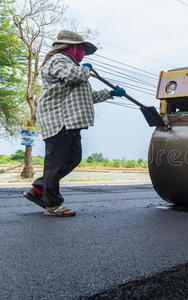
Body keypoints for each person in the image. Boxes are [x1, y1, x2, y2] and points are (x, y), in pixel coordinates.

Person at [22, 30, 126, 217]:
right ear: (73, 48)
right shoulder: (59, 60)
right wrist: (86, 69)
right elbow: (74, 76)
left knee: (73, 159)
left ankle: (38, 189)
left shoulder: (74, 67)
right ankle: (52, 205)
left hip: (71, 122)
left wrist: (110, 93)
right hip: (58, 121)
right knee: (55, 163)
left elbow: (86, 97)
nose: (83, 54)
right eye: (82, 50)